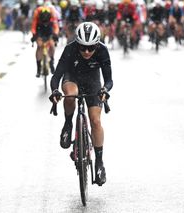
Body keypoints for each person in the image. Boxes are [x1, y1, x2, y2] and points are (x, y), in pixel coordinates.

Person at [49, 22, 113, 186]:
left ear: (97, 44)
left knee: (96, 120)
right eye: (82, 47)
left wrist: (105, 89)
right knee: (71, 95)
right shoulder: (70, 49)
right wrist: (55, 91)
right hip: (73, 78)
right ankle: (68, 123)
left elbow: (109, 80)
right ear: (77, 43)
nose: (86, 51)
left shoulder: (103, 51)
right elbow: (56, 76)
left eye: (90, 47)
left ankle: (99, 162)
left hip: (93, 82)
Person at [31, 0, 59, 77]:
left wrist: (55, 34)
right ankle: (39, 68)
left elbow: (55, 26)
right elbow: (33, 25)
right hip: (39, 29)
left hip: (49, 30)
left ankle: (51, 62)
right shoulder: (37, 12)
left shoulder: (52, 13)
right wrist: (34, 35)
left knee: (52, 45)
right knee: (39, 46)